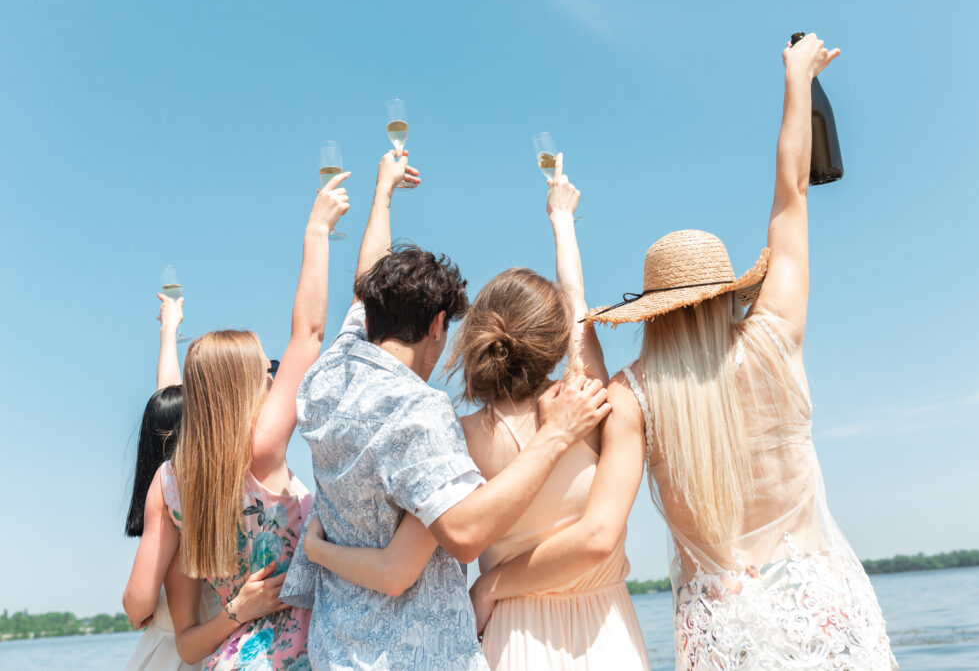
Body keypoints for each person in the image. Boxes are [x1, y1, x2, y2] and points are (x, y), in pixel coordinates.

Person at [581, 34, 897, 669]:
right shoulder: (775, 334)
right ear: (727, 294)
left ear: (651, 315)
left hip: (723, 629)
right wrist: (797, 79)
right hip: (822, 603)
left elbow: (599, 522)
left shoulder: (632, 395)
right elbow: (791, 197)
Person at [300, 154, 649, 670]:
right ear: (440, 323)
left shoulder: (433, 422)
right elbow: (578, 304)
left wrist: (383, 192)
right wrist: (560, 220)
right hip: (605, 631)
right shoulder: (590, 402)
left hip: (504, 634)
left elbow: (367, 288)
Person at [122, 162, 361, 670]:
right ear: (242, 390)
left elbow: (185, 642)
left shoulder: (168, 485)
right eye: (262, 371)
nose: (272, 378)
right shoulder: (263, 451)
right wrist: (317, 230)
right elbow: (309, 333)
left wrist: (235, 611)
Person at [123, 293, 217, 670]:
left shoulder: (168, 498)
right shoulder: (213, 489)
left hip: (174, 652)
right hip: (220, 641)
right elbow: (172, 406)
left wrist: (133, 607)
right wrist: (168, 331)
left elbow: (139, 603)